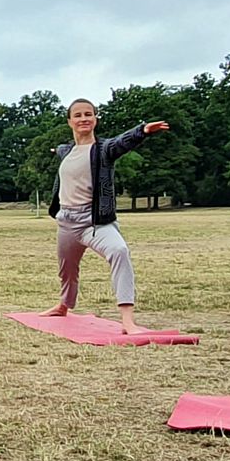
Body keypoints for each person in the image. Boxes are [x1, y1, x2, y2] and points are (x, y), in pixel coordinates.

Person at [42, 99, 169, 335]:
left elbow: (122, 143)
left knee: (119, 251)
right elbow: (60, 149)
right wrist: (55, 150)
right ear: (70, 121)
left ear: (95, 119)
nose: (84, 119)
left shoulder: (103, 150)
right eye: (78, 115)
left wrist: (141, 131)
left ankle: (128, 321)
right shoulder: (66, 151)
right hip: (67, 223)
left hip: (95, 222)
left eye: (88, 114)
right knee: (67, 270)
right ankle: (63, 306)